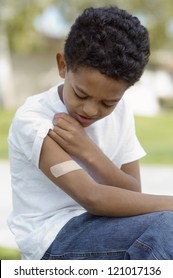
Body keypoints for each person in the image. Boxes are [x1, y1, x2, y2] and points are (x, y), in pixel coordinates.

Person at [8, 6, 173, 260]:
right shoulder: (34, 120)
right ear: (63, 65)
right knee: (165, 229)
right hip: (52, 241)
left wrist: (87, 150)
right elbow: (92, 198)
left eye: (108, 103)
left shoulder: (121, 111)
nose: (90, 110)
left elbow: (133, 192)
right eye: (81, 94)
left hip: (107, 224)